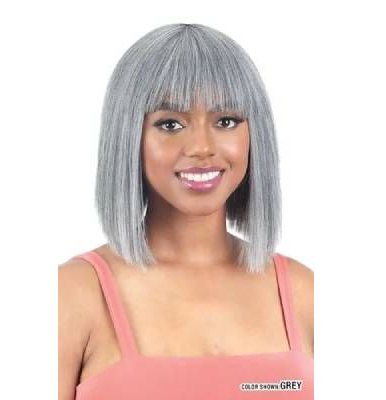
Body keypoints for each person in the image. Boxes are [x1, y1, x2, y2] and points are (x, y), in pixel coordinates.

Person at [58, 23, 314, 400]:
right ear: (128, 137)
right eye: (170, 124)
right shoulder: (73, 294)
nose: (201, 147)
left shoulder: (306, 292)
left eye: (225, 121)